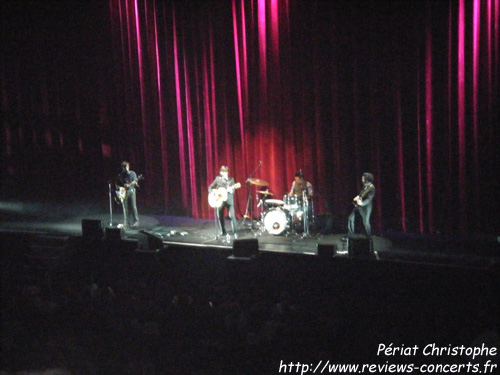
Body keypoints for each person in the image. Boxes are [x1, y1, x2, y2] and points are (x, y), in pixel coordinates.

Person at [208, 166, 239, 238]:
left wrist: (231, 190)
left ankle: (235, 232)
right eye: (224, 172)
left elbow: (233, 191)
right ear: (221, 173)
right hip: (220, 200)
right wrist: (212, 192)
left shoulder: (231, 180)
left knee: (232, 215)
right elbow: (210, 187)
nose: (226, 173)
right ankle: (223, 231)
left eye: (227, 172)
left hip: (229, 199)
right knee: (220, 216)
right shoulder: (217, 179)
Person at [347, 172, 375, 238]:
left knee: (365, 221)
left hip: (366, 206)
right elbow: (361, 194)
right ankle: (350, 235)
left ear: (367, 179)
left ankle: (369, 237)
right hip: (359, 205)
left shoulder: (372, 188)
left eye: (363, 178)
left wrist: (361, 203)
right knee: (350, 218)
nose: (362, 179)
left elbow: (369, 199)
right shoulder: (364, 186)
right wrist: (357, 197)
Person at [116, 161, 140, 229]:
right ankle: (126, 222)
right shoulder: (120, 175)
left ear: (128, 167)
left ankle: (136, 222)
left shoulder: (132, 173)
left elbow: (136, 182)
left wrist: (135, 183)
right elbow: (117, 184)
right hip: (124, 192)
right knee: (125, 207)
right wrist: (121, 188)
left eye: (126, 167)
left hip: (132, 191)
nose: (125, 169)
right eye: (124, 167)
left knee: (133, 206)